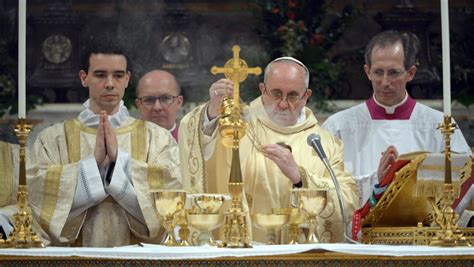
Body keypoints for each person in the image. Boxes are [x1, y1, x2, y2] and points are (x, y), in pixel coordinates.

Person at [179, 57, 359, 243]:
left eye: (292, 96)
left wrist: (300, 178)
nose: (282, 103)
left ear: (306, 96)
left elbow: (347, 199)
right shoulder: (237, 126)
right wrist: (213, 110)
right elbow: (199, 140)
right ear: (263, 90)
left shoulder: (324, 143)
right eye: (276, 93)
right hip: (240, 252)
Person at [27, 42, 181, 247]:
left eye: (118, 75)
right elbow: (36, 197)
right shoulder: (53, 139)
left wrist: (120, 161)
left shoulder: (158, 139)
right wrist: (92, 164)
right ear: (84, 78)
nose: (110, 83)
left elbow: (173, 196)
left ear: (127, 79)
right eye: (100, 75)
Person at [322, 30, 471, 207]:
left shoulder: (439, 126)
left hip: (422, 231)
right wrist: (376, 182)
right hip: (358, 233)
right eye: (378, 72)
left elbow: (465, 180)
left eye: (393, 73)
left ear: (411, 73)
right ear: (367, 71)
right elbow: (325, 188)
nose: (385, 82)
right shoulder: (338, 126)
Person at [135, 70, 183, 142]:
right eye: (149, 100)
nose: (157, 107)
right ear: (138, 105)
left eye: (165, 98)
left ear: (179, 102)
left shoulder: (193, 145)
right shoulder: (123, 146)